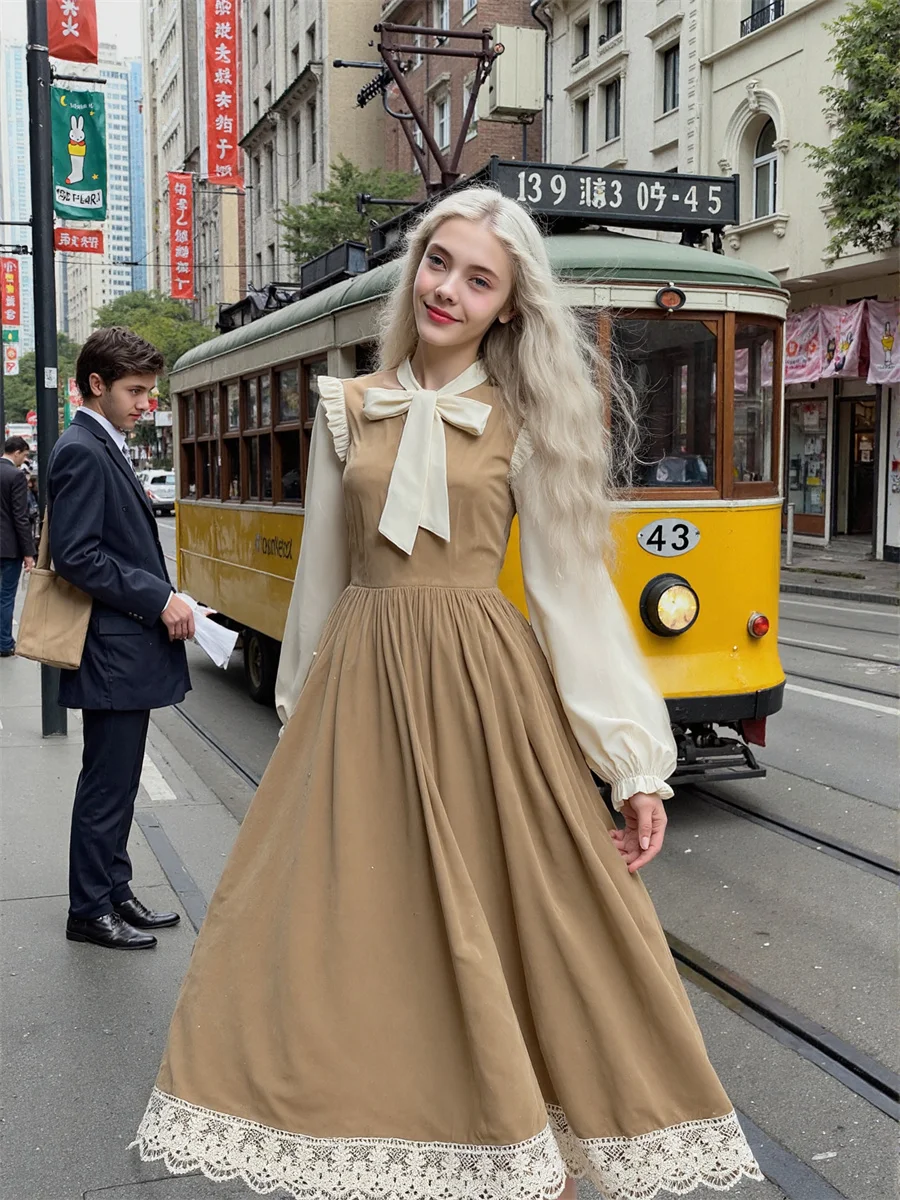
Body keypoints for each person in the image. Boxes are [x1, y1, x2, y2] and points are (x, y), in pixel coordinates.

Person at [133, 190, 763, 1197]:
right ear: (415, 269)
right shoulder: (348, 407)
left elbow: (573, 597)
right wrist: (302, 720)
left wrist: (635, 764)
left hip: (484, 697)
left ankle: (531, 1151)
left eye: (479, 278)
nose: (448, 289)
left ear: (508, 306)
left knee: (527, 933)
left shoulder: (529, 419)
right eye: (440, 263)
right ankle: (396, 1136)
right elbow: (323, 584)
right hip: (364, 693)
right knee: (369, 941)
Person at [48, 327, 195, 951]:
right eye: (136, 391)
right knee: (107, 784)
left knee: (118, 779)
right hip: (112, 650)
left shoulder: (97, 442)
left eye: (150, 392)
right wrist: (158, 596)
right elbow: (77, 557)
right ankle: (89, 908)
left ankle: (113, 890)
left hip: (119, 650)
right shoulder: (82, 448)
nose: (146, 404)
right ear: (96, 386)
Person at [0, 435, 36, 657]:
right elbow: (20, 517)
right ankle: (4, 642)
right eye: (24, 455)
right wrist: (28, 553)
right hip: (8, 546)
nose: (24, 460)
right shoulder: (15, 476)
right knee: (5, 596)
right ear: (17, 452)